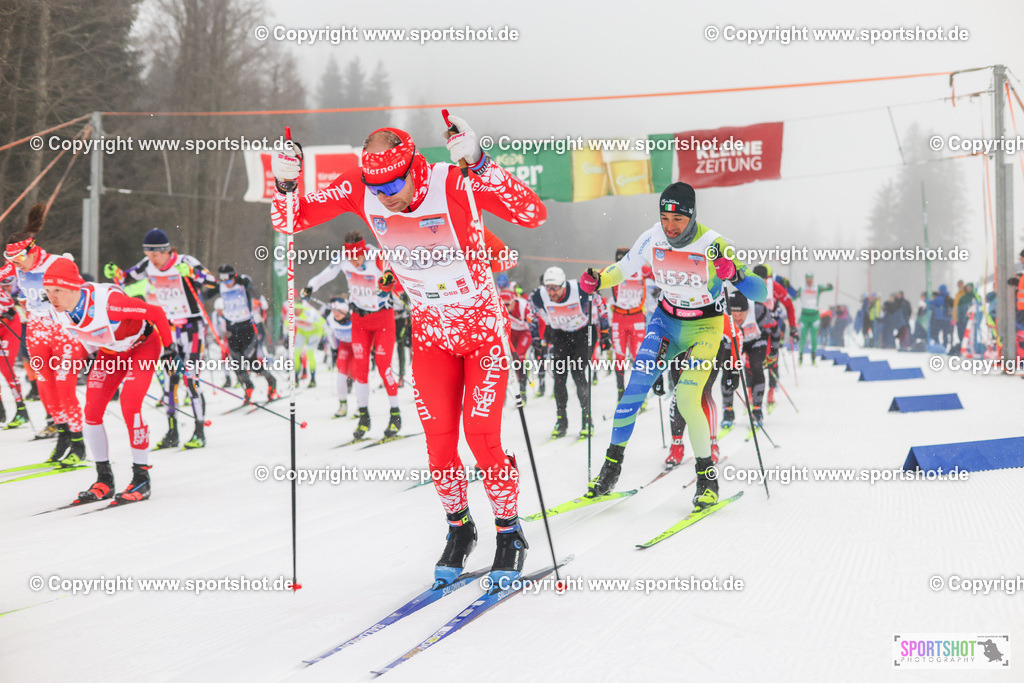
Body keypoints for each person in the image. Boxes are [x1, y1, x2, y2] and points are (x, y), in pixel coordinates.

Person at [269, 115, 546, 585]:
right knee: (439, 448)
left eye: (395, 180)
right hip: (432, 336)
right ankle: (460, 529)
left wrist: (479, 162)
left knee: (482, 438)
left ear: (415, 164)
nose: (386, 194)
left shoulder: (453, 180)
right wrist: (285, 182)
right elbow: (289, 220)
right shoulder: (362, 187)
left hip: (481, 334)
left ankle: (509, 530)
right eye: (376, 185)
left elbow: (531, 213)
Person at [579, 182, 767, 510]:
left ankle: (707, 478)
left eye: (677, 219)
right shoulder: (652, 237)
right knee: (634, 391)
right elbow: (622, 270)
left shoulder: (714, 244)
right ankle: (610, 469)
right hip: (666, 323)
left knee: (687, 397)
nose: (670, 226)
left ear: (692, 217)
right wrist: (598, 279)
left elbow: (761, 292)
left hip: (705, 329)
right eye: (665, 217)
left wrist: (735, 274)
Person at [43, 258, 172, 505]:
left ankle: (141, 478)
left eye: (57, 290)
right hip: (110, 354)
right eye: (48, 291)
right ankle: (104, 479)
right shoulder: (59, 311)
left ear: (74, 287)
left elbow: (155, 312)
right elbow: (85, 336)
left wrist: (170, 349)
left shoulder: (109, 303)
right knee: (91, 411)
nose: (52, 297)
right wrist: (88, 358)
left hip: (142, 347)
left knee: (130, 405)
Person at [106, 228, 216, 449]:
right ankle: (172, 432)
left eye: (155, 255)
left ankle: (199, 431)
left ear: (166, 251)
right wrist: (114, 272)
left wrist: (193, 274)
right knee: (170, 381)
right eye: (148, 255)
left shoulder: (185, 261)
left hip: (192, 327)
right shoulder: (147, 265)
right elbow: (124, 278)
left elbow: (213, 282)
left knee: (191, 380)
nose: (152, 260)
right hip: (168, 328)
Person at [0, 204, 87, 462]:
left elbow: (82, 294)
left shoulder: (59, 263)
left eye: (18, 260)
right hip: (37, 332)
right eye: (11, 261)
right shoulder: (16, 268)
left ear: (32, 250)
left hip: (64, 334)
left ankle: (78, 443)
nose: (16, 266)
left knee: (65, 388)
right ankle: (62, 437)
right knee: (47, 389)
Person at [302, 231, 401, 439]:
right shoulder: (343, 259)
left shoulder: (377, 256)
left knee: (384, 366)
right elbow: (324, 276)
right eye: (351, 257)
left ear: (364, 251)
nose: (355, 261)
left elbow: (393, 275)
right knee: (360, 368)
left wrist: (388, 282)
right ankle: (364, 417)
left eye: (358, 257)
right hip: (359, 320)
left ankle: (395, 415)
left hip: (383, 319)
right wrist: (310, 287)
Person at [529, 266, 602, 439]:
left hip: (583, 333)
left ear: (563, 285)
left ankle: (586, 419)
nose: (551, 292)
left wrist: (604, 331)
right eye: (548, 288)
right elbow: (531, 314)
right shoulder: (539, 295)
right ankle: (561, 420)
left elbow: (600, 304)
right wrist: (536, 338)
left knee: (578, 373)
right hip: (561, 335)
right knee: (559, 376)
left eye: (555, 288)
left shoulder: (579, 290)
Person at [216, 264, 279, 404]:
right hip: (232, 329)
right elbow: (206, 293)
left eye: (228, 281)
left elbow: (255, 292)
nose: (226, 284)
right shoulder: (220, 286)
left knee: (250, 361)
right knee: (236, 362)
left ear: (234, 277)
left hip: (247, 327)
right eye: (223, 281)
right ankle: (248, 386)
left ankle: (271, 380)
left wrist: (246, 284)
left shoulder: (243, 283)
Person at [720, 290, 772, 426]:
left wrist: (773, 354)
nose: (737, 318)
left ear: (747, 310)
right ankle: (728, 410)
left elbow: (774, 331)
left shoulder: (759, 310)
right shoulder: (721, 311)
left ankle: (757, 409)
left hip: (754, 342)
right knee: (728, 370)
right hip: (732, 342)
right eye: (734, 314)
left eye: (741, 314)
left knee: (756, 367)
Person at [608, 246, 653, 401]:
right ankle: (621, 393)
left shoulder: (642, 270)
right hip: (619, 319)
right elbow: (596, 279)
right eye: (618, 259)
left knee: (638, 357)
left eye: (624, 259)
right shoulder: (612, 271)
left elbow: (659, 274)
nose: (621, 263)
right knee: (619, 356)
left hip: (637, 318)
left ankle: (639, 394)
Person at [752, 264, 796, 410]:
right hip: (754, 328)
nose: (760, 284)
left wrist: (793, 326)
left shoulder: (775, 286)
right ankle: (751, 393)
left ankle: (771, 392)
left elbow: (789, 305)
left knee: (772, 359)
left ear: (767, 279)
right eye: (757, 281)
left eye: (763, 280)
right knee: (751, 361)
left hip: (772, 328)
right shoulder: (748, 286)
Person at [0, 276, 30, 427]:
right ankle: (1, 411)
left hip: (8, 326)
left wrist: (7, 314)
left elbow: (14, 305)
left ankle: (21, 410)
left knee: (6, 367)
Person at [324, 296, 354, 417]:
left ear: (346, 310)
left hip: (357, 345)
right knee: (341, 376)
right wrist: (334, 349)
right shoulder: (330, 319)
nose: (336, 313)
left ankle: (361, 406)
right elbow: (330, 335)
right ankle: (342, 405)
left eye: (339, 310)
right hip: (344, 346)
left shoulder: (354, 316)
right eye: (334, 310)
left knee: (358, 376)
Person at [502, 289, 533, 400]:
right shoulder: (498, 308)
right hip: (510, 334)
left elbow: (533, 324)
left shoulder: (523, 306)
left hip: (523, 334)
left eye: (507, 304)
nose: (505, 307)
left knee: (518, 359)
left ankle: (523, 391)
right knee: (503, 360)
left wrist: (539, 339)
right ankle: (502, 394)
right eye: (502, 304)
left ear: (514, 301)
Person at [796, 272, 833, 364]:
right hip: (804, 316)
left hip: (815, 316)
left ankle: (813, 357)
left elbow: (829, 289)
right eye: (808, 280)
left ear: (813, 279)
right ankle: (800, 357)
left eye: (811, 280)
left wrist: (830, 286)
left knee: (814, 337)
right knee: (803, 337)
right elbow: (794, 296)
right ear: (805, 280)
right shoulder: (802, 288)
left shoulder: (817, 287)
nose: (809, 282)